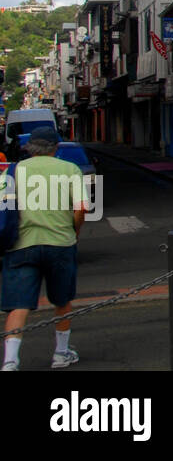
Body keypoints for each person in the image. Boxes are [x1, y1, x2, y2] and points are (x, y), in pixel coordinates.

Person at [2, 126, 87, 371]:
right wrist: (75, 231)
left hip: (21, 245)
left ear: (29, 148)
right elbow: (82, 207)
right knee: (62, 300)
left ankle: (10, 360)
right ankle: (61, 353)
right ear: (56, 148)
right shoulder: (70, 169)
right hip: (60, 243)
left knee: (19, 304)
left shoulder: (13, 171)